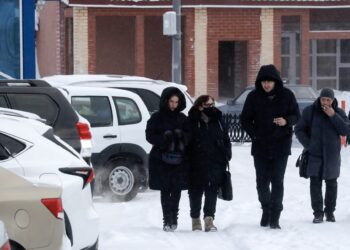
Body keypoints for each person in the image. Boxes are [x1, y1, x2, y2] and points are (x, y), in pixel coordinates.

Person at [240, 64, 300, 229]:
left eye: (269, 82)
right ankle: (266, 208)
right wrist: (255, 133)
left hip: (281, 145)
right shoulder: (253, 96)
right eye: (264, 82)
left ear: (276, 82)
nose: (266, 85)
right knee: (261, 181)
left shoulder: (287, 95)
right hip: (260, 146)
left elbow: (297, 115)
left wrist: (286, 121)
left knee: (277, 181)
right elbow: (244, 119)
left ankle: (275, 216)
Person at [295, 88, 350, 223]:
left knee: (332, 183)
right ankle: (318, 213)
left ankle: (330, 212)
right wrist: (309, 145)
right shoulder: (310, 111)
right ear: (319, 99)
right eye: (323, 99)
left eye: (328, 100)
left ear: (332, 101)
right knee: (315, 183)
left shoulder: (338, 112)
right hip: (314, 154)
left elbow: (345, 130)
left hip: (332, 155)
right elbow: (299, 129)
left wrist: (333, 116)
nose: (325, 102)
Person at [145, 87, 190, 232]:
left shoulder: (183, 118)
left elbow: (190, 135)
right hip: (161, 159)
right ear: (166, 101)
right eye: (171, 101)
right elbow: (149, 135)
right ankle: (166, 219)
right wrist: (165, 139)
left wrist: (180, 138)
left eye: (176, 102)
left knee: (176, 189)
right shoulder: (156, 117)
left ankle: (174, 218)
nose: (174, 105)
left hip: (179, 160)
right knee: (165, 190)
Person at [187, 95, 232, 232]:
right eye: (207, 105)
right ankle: (195, 219)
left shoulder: (218, 119)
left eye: (212, 104)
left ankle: (209, 219)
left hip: (215, 161)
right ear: (200, 106)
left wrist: (227, 153)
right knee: (195, 191)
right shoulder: (192, 119)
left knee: (212, 190)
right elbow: (187, 140)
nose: (211, 108)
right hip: (196, 161)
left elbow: (225, 138)